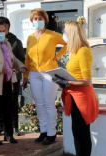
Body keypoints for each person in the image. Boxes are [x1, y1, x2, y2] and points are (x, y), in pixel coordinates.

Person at [52, 21, 99, 156]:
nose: (63, 33)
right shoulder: (75, 51)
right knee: (76, 131)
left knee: (83, 133)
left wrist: (67, 83)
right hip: (73, 96)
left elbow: (86, 81)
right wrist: (62, 79)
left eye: (65, 31)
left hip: (82, 98)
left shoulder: (84, 51)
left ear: (72, 33)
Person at [23, 8, 67, 145]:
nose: (38, 21)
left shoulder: (52, 35)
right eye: (35, 19)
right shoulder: (30, 38)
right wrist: (26, 76)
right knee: (39, 104)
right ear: (32, 21)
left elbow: (67, 44)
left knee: (48, 104)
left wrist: (58, 56)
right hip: (34, 73)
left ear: (45, 20)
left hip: (49, 73)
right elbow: (28, 58)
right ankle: (43, 131)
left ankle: (51, 133)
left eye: (40, 18)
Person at [0, 17, 26, 146]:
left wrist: (20, 66)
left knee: (8, 108)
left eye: (3, 30)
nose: (1, 33)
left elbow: (13, 58)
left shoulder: (6, 44)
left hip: (7, 81)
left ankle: (9, 135)